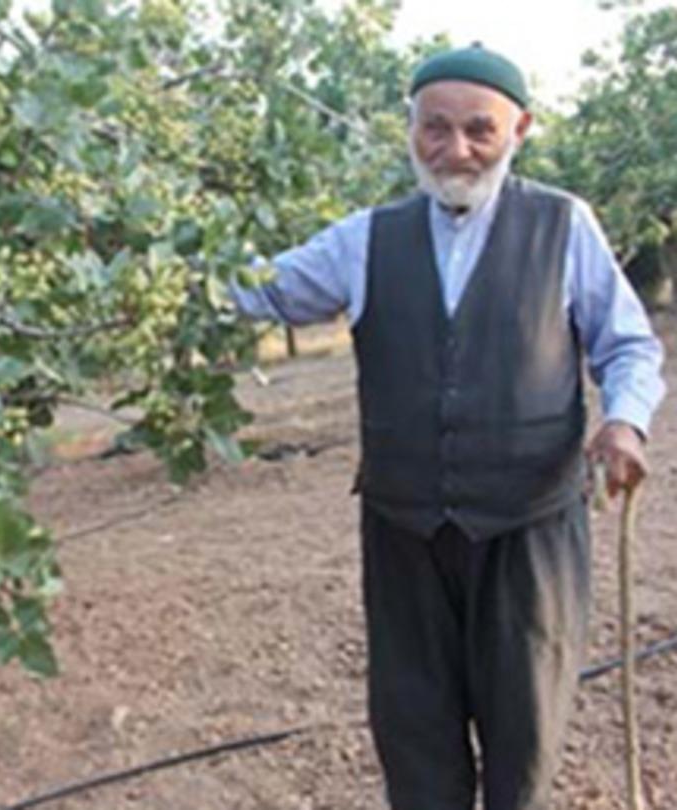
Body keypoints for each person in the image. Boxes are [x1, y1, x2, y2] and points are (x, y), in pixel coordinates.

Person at [231, 45, 666, 810]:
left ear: (519, 129)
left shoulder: (563, 225)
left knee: (524, 739)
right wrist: (164, 262)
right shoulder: (365, 238)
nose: (454, 150)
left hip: (528, 530)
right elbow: (262, 290)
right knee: (413, 734)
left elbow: (626, 344)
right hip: (404, 530)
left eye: (479, 130)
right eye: (434, 128)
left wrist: (625, 423)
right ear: (411, 128)